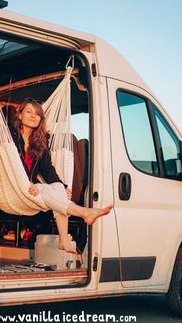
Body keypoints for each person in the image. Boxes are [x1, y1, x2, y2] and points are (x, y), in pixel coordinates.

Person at [10, 99, 113, 254]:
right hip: (15, 186)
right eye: (29, 112)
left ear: (41, 119)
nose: (33, 116)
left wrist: (63, 187)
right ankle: (84, 213)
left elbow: (48, 169)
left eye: (37, 114)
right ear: (19, 115)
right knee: (43, 187)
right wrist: (28, 184)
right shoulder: (10, 137)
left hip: (32, 188)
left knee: (57, 187)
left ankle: (63, 239)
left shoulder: (39, 142)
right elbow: (12, 165)